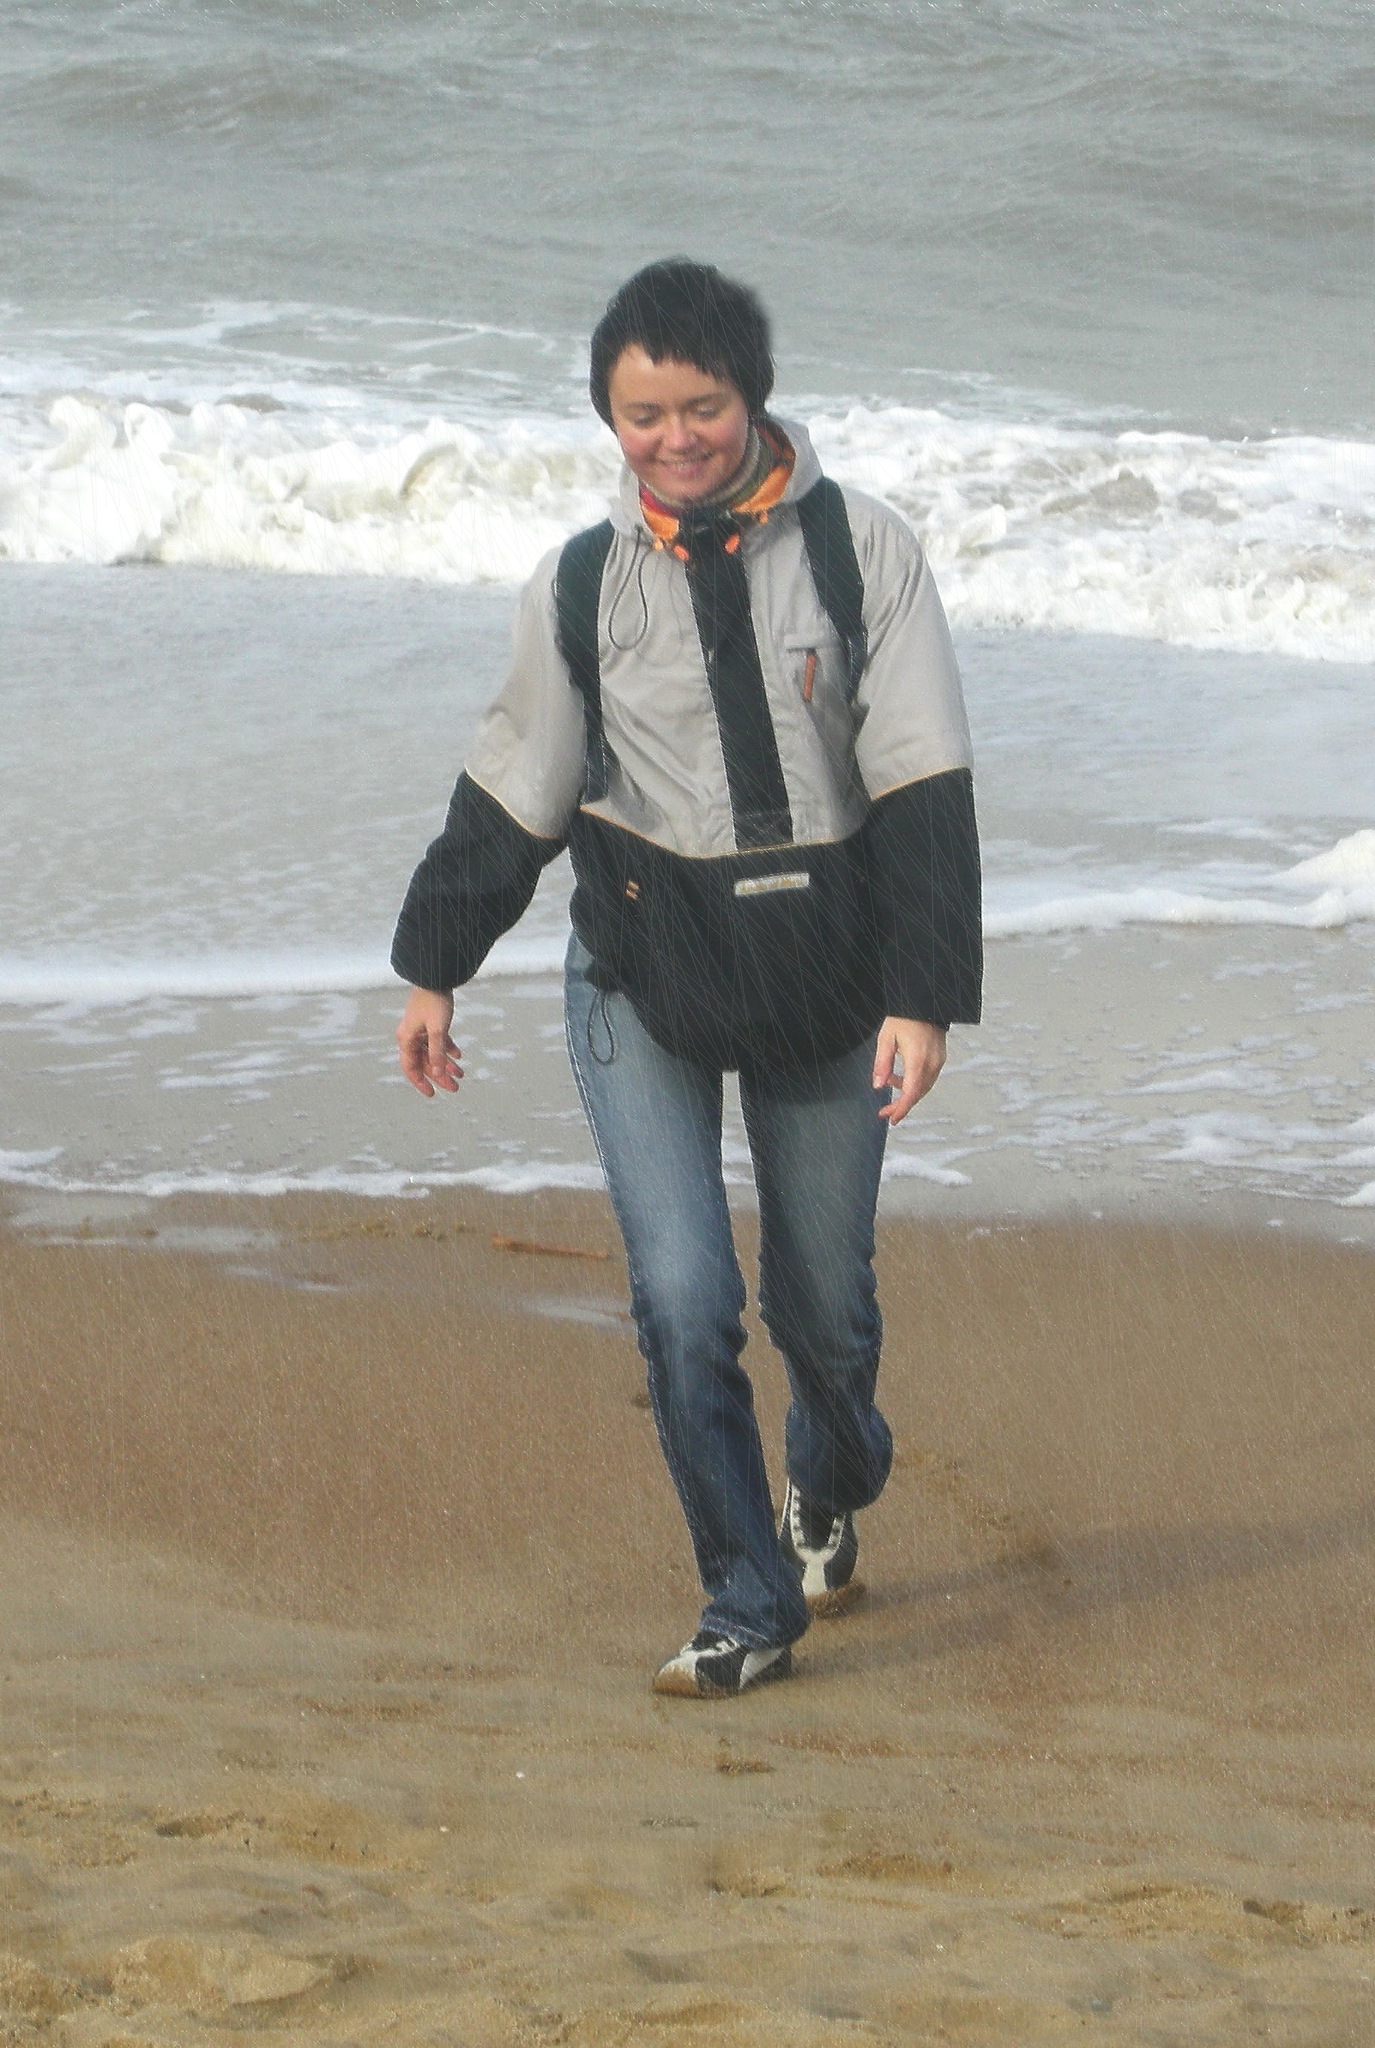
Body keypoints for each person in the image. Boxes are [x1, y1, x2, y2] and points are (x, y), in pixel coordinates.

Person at [392, 259, 981, 1698]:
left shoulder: (864, 551)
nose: (674, 439)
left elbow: (923, 784)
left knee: (823, 1312)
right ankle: (744, 1597)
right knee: (682, 1297)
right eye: (642, 414)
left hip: (830, 982)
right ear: (610, 417)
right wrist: (432, 969)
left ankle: (830, 1476)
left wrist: (923, 996)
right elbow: (518, 789)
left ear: (752, 398)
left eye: (701, 407)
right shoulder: (580, 583)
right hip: (639, 973)